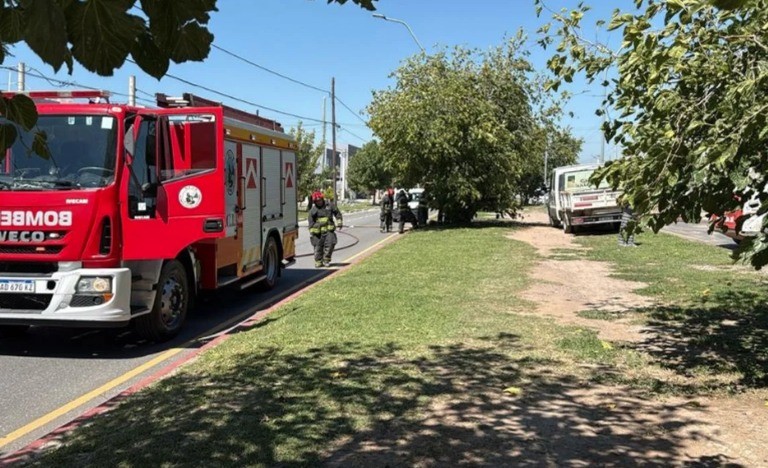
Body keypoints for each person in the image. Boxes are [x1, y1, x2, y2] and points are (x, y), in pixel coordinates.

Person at [308, 190, 344, 267]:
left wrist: (339, 222)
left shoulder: (330, 205)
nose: (319, 202)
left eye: (320, 200)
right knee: (318, 247)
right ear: (314, 202)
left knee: (330, 244)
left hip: (329, 231)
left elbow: (337, 213)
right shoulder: (313, 211)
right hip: (318, 233)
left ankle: (326, 260)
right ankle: (318, 261)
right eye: (317, 201)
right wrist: (313, 232)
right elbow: (310, 223)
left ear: (322, 199)